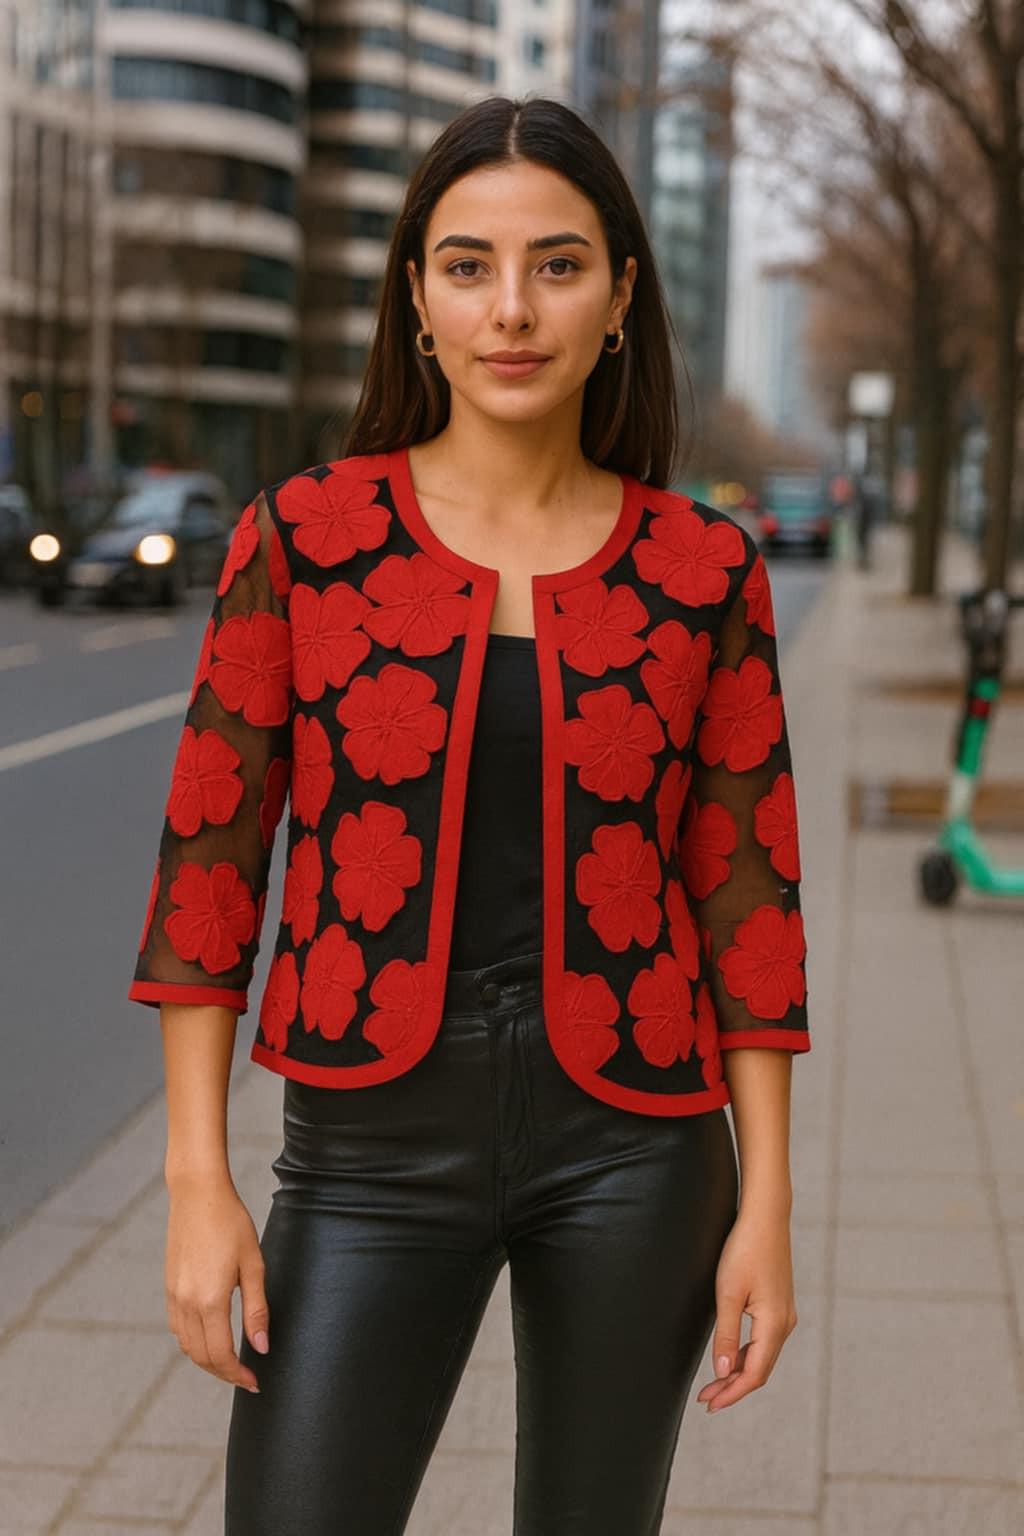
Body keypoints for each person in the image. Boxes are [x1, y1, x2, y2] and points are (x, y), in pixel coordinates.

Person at [128, 95, 811, 1535]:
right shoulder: (305, 540)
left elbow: (748, 901)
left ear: (622, 293)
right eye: (467, 266)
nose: (513, 309)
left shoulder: (703, 570)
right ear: (417, 300)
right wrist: (198, 1182)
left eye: (559, 265)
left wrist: (769, 1208)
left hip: (641, 1150)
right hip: (372, 1149)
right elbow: (210, 873)